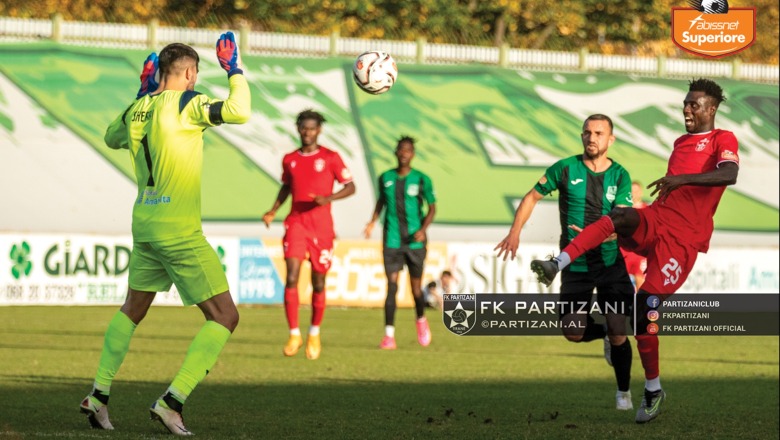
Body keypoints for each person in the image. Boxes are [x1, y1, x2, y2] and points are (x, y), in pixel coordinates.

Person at [531, 78, 739, 424]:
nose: (687, 109)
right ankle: (558, 261)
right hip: (658, 219)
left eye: (694, 105)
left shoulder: (723, 139)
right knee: (619, 216)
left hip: (682, 242)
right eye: (686, 103)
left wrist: (682, 179)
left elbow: (729, 174)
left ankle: (654, 389)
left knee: (645, 313)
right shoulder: (680, 141)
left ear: (711, 109)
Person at [80, 32, 250, 436]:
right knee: (225, 316)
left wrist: (142, 92)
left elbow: (111, 137)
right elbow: (239, 110)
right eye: (195, 73)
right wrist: (234, 70)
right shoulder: (189, 102)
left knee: (132, 309)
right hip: (178, 229)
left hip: (145, 225)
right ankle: (171, 402)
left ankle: (99, 394)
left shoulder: (138, 108)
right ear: (189, 73)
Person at [495, 114, 636, 412]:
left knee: (619, 329)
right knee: (572, 331)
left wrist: (595, 235)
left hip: (610, 263)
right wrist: (515, 232)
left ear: (610, 139)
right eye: (587, 132)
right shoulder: (564, 168)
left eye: (599, 133)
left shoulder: (620, 175)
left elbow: (621, 220)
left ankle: (624, 393)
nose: (592, 137)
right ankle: (607, 336)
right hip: (574, 263)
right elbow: (532, 196)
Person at [263, 109, 355, 360]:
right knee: (291, 276)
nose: (307, 132)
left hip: (322, 227)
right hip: (296, 223)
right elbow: (286, 187)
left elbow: (350, 186)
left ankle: (314, 332)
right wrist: (273, 210)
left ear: (319, 130)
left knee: (319, 282)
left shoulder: (331, 157)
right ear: (298, 129)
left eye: (312, 128)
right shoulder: (290, 159)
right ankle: (294, 333)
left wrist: (328, 198)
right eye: (303, 127)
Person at [364, 136, 436, 350]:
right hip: (392, 240)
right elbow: (381, 202)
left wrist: (423, 230)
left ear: (413, 154)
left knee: (415, 290)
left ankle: (421, 320)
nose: (404, 153)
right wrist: (372, 221)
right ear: (395, 152)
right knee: (392, 287)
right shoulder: (385, 177)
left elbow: (432, 208)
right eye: (401, 150)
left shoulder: (422, 179)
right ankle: (389, 336)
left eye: (408, 150)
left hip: (414, 242)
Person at [621, 181, 649, 291]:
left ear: (641, 192)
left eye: (636, 191)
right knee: (621, 283)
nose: (634, 194)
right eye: (631, 191)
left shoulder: (647, 210)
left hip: (640, 252)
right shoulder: (622, 209)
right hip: (624, 251)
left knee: (640, 281)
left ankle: (641, 307)